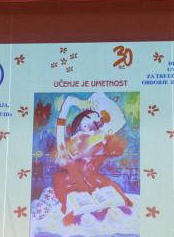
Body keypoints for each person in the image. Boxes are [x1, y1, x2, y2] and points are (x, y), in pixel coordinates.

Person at [52, 92, 132, 224]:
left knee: (109, 190)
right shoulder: (69, 142)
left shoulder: (100, 139)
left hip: (93, 179)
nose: (93, 121)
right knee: (59, 180)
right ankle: (73, 211)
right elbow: (65, 109)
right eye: (89, 117)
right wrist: (77, 103)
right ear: (78, 123)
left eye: (97, 121)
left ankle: (114, 206)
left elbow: (117, 150)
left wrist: (110, 141)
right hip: (74, 180)